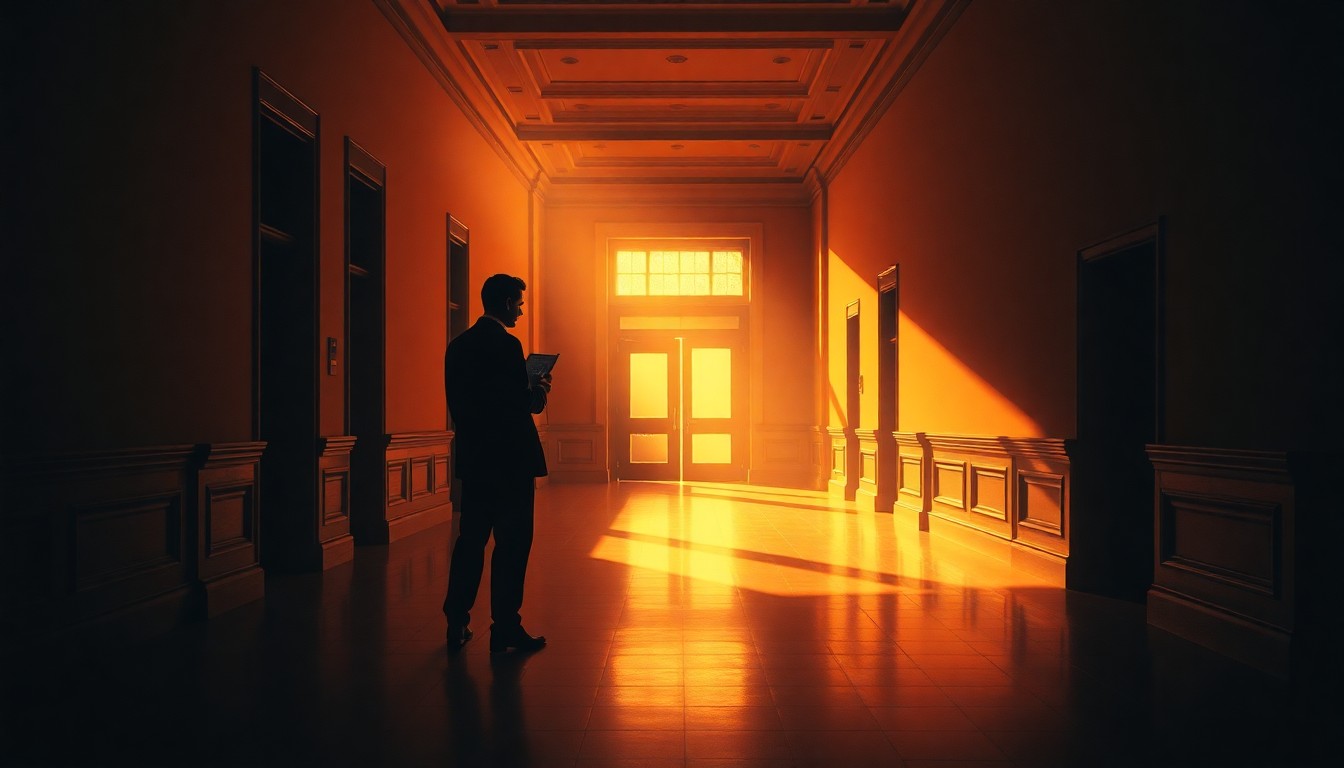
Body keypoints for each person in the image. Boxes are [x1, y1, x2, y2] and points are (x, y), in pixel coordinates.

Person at [442, 274, 551, 654]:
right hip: (511, 463)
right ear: (506, 303)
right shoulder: (507, 345)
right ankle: (505, 626)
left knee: (470, 543)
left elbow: (462, 404)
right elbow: (519, 404)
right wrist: (539, 390)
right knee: (511, 546)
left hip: (475, 462)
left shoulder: (457, 347)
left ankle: (456, 620)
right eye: (518, 304)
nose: (520, 311)